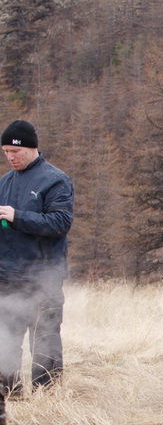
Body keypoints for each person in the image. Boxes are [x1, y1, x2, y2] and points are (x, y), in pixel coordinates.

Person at [0, 120, 74, 397]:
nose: (10, 157)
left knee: (45, 342)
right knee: (5, 340)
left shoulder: (55, 180)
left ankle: (47, 398)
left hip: (44, 279)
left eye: (15, 151)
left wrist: (17, 217)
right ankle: (10, 395)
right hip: (8, 279)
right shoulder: (4, 183)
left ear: (31, 148)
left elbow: (60, 222)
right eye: (5, 152)